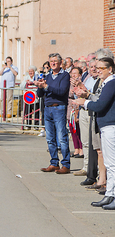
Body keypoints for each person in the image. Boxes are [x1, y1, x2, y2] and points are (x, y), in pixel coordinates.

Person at [74, 57, 115, 209]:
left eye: (101, 68)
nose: (98, 70)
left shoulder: (111, 82)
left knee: (112, 164)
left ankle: (112, 195)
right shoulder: (107, 83)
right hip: (106, 126)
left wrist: (83, 102)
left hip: (110, 126)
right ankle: (109, 195)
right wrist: (87, 96)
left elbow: (101, 105)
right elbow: (99, 100)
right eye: (96, 68)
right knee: (110, 163)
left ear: (110, 69)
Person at [35, 53, 71, 174]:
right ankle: (54, 162)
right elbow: (40, 95)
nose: (53, 63)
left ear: (60, 63)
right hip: (48, 108)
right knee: (50, 138)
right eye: (51, 61)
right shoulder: (47, 76)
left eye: (55, 61)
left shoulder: (65, 75)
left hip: (59, 108)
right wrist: (40, 86)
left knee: (62, 137)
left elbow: (61, 91)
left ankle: (65, 164)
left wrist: (47, 86)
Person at [68, 67, 84, 159]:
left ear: (80, 74)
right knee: (72, 129)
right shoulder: (69, 82)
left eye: (75, 73)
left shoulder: (81, 82)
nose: (73, 75)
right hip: (70, 106)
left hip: (78, 105)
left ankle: (81, 149)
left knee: (79, 128)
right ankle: (76, 148)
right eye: (72, 73)